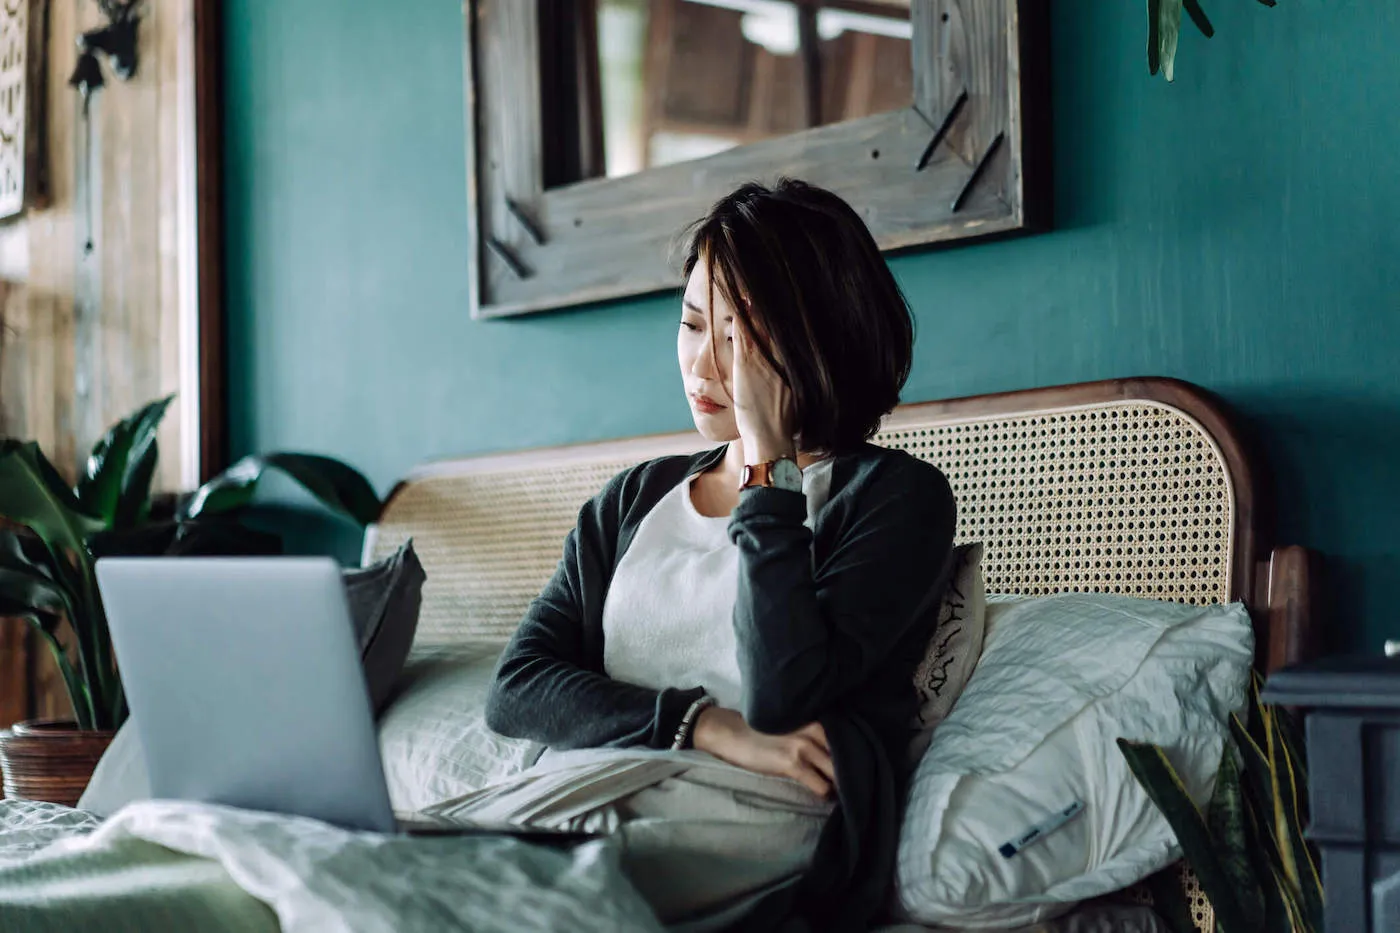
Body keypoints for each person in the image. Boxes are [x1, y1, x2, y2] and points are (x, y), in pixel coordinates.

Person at [485, 178, 956, 932]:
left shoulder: (897, 499)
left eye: (738, 337)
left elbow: (783, 696)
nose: (704, 366)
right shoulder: (632, 499)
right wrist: (700, 723)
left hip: (753, 825)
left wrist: (766, 469)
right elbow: (518, 688)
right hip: (596, 796)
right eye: (693, 323)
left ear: (817, 338)